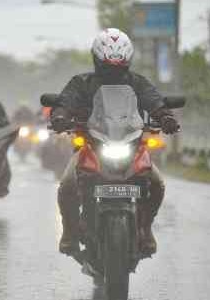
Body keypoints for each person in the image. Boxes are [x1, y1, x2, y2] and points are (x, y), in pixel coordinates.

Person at [51, 28, 179, 256]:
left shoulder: (138, 83)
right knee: (67, 186)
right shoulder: (82, 82)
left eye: (117, 66)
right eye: (108, 66)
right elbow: (66, 101)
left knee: (157, 184)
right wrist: (60, 115)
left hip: (131, 145)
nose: (113, 71)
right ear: (97, 60)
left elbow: (154, 101)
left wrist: (165, 117)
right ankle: (69, 233)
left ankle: (145, 228)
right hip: (91, 145)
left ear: (127, 61)